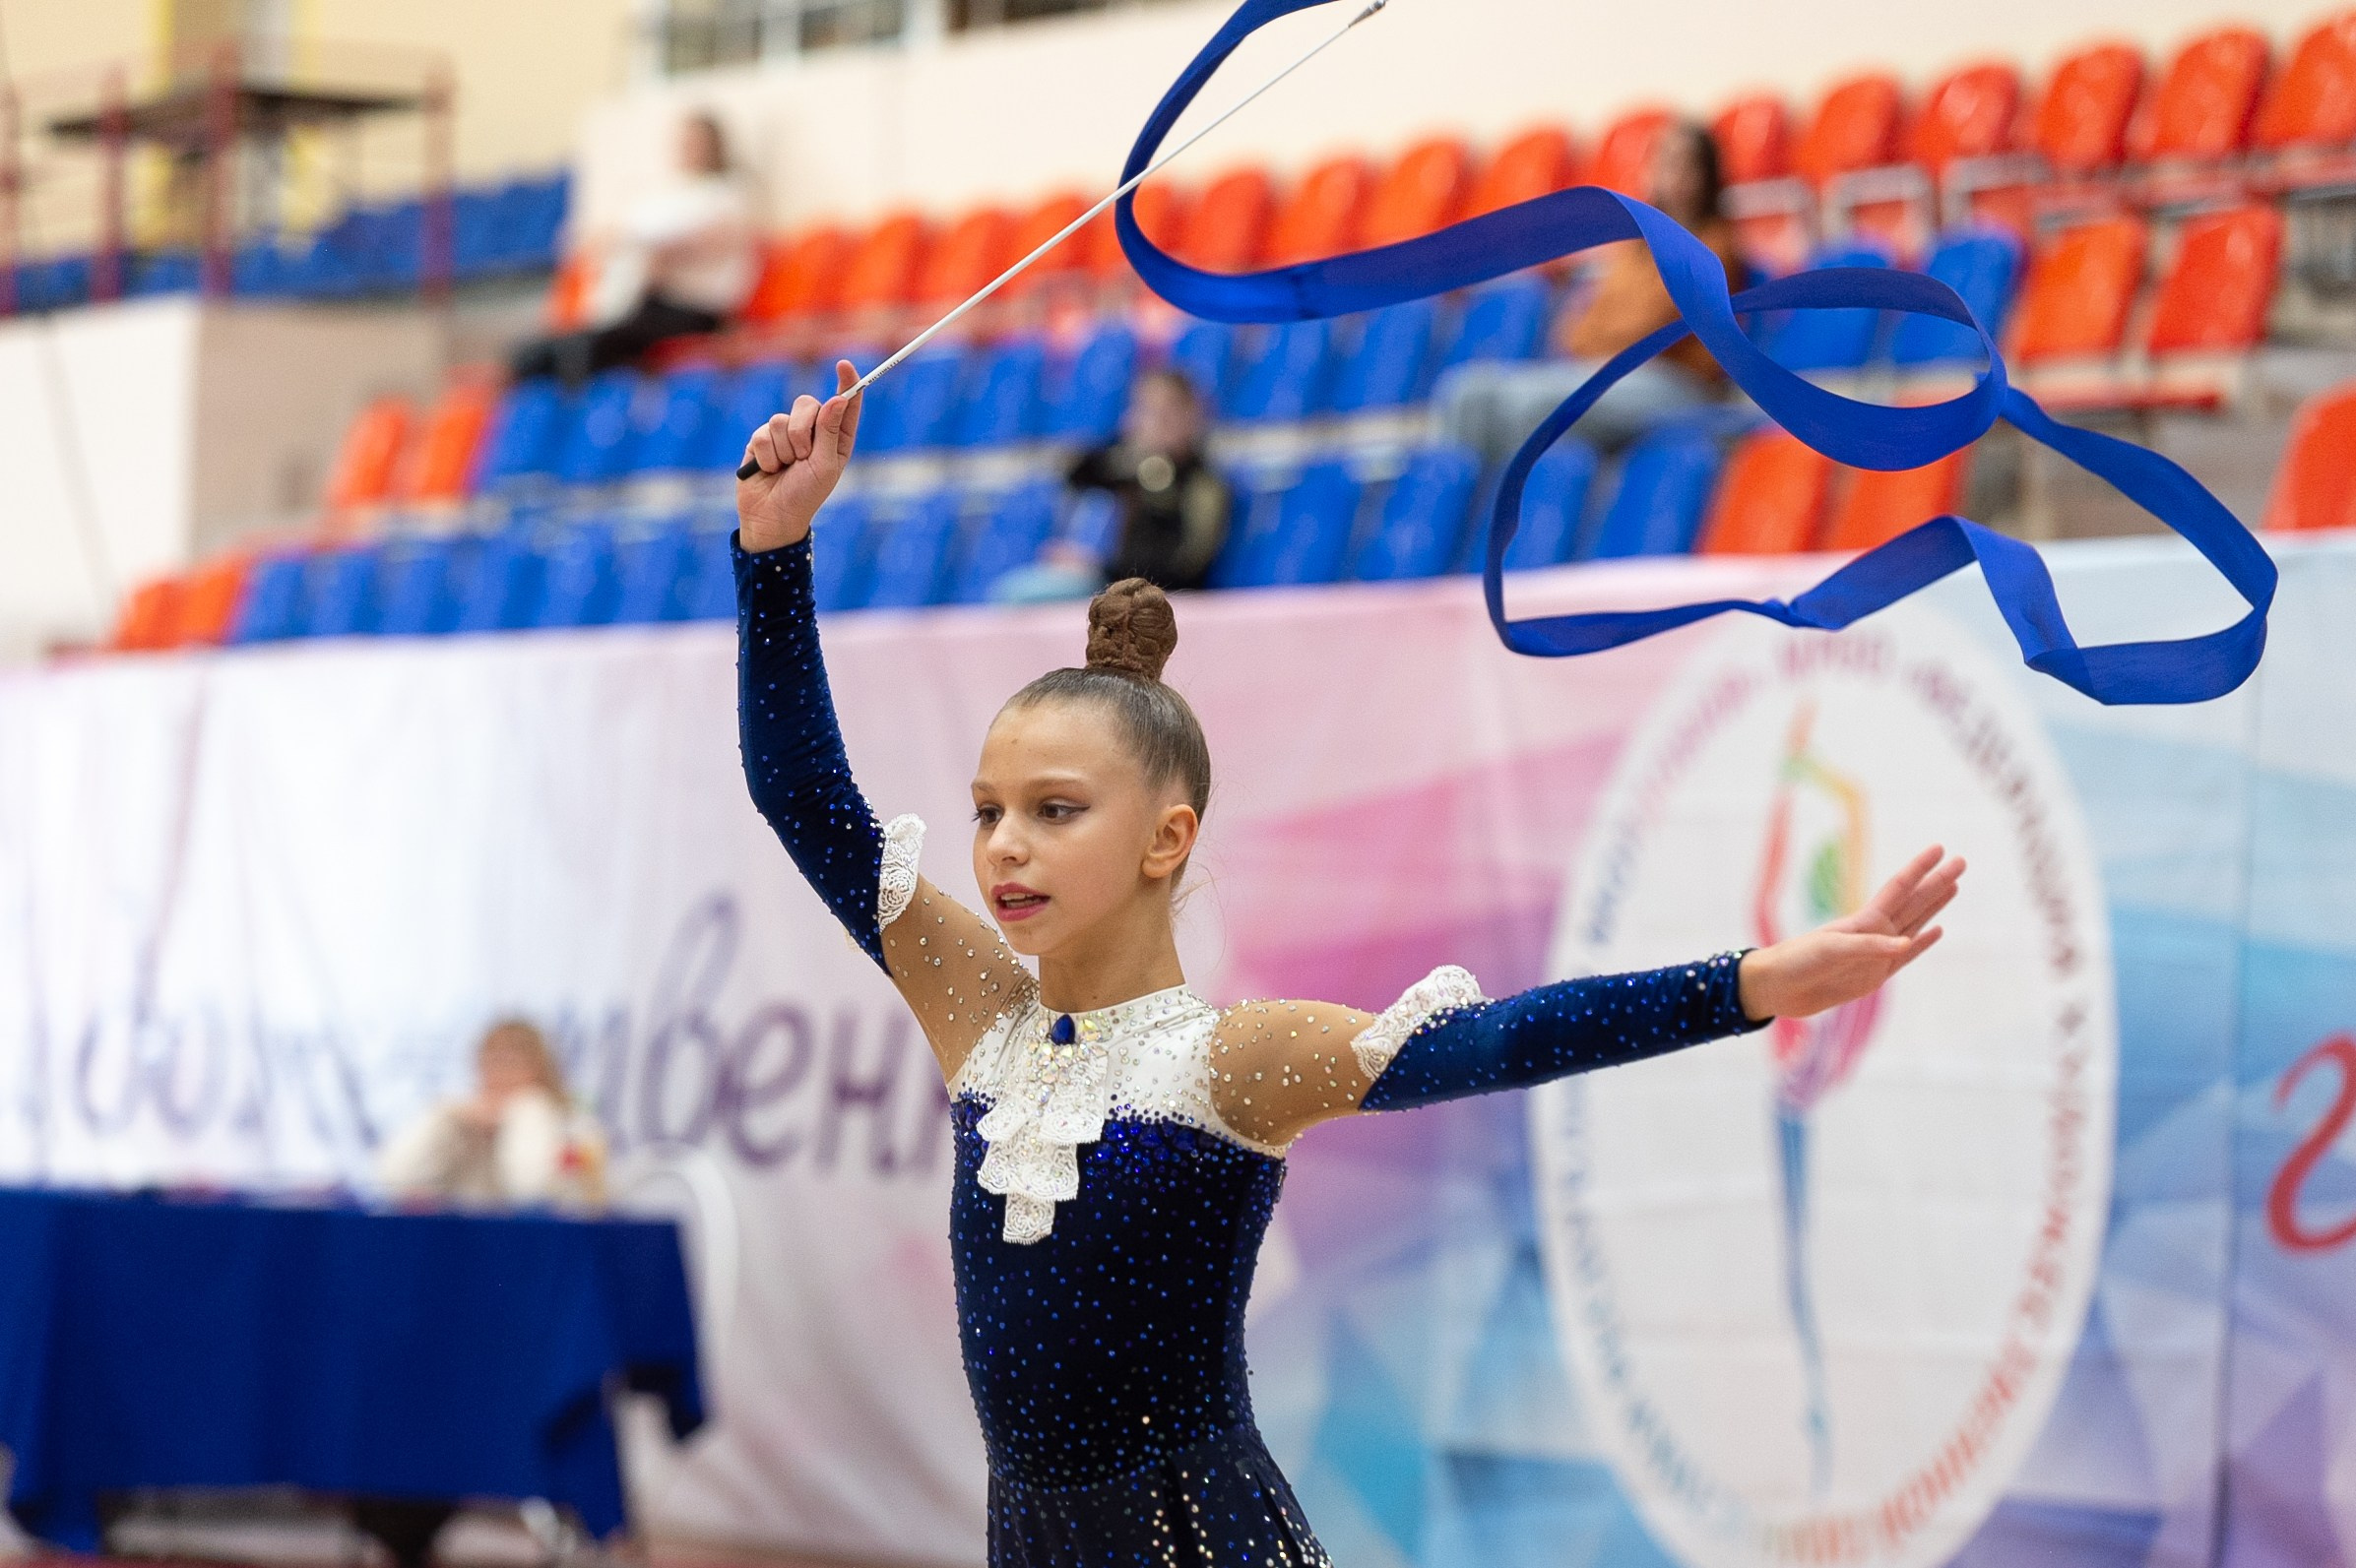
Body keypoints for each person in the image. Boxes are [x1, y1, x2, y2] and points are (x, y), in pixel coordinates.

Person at [732, 364, 1966, 1566]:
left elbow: (1503, 1039)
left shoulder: (1228, 1060)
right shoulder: (981, 1022)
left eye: (1055, 811)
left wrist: (1745, 983)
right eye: (989, 810)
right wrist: (773, 556)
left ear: (1169, 837)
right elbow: (807, 800)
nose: (1003, 846)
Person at [1434, 120, 1751, 469]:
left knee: (1535, 408)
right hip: (1609, 371)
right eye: (1665, 163)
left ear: (1706, 174)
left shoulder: (1713, 247)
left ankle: (1521, 512)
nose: (1674, 175)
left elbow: (1653, 329)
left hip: (1678, 383)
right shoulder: (1634, 247)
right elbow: (1579, 331)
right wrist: (1600, 338)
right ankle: (1461, 513)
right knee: (1467, 393)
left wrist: (1601, 338)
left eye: (1685, 164)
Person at [508, 111, 757, 385]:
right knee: (532, 355)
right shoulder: (666, 194)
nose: (688, 149)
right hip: (645, 305)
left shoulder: (727, 196)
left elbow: (699, 243)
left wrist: (646, 248)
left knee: (587, 348)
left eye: (695, 142)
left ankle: (593, 419)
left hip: (693, 311)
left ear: (713, 146)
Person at [995, 367, 1234, 603]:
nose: (1155, 423)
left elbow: (1186, 567)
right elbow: (1077, 472)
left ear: (1190, 416)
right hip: (1116, 583)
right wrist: (1125, 444)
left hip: (1153, 596)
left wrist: (1101, 570)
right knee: (1016, 587)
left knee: (1022, 596)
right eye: (1145, 411)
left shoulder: (1204, 485)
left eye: (1166, 412)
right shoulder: (1135, 466)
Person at [377, 1019, 608, 1210]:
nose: (499, 1075)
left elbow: (533, 1194)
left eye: (512, 1063)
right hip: (469, 1252)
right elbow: (394, 1180)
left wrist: (527, 1110)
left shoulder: (576, 1129)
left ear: (541, 1070)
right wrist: (444, 1117)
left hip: (551, 1252)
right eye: (490, 1062)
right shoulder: (462, 1124)